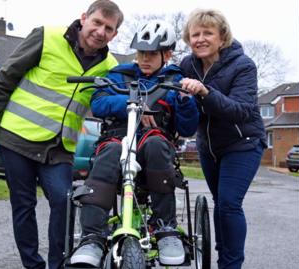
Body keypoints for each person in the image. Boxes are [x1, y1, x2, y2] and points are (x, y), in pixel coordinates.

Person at [0, 1, 123, 268]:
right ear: (84, 18)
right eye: (97, 23)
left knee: (64, 202)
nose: (101, 31)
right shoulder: (47, 36)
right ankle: (33, 265)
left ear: (114, 34)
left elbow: (114, 98)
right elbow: (8, 74)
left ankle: (59, 264)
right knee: (23, 204)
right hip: (16, 137)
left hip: (59, 147)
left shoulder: (110, 66)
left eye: (108, 28)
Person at [69, 20, 199, 267]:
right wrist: (137, 102)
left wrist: (184, 101)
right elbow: (98, 103)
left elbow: (188, 128)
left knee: (156, 145)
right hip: (117, 138)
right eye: (141, 53)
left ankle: (166, 229)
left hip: (154, 143)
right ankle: (92, 237)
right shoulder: (119, 74)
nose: (145, 59)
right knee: (110, 151)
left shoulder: (175, 81)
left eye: (151, 54)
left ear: (167, 54)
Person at [179, 9, 267, 269]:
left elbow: (241, 110)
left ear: (222, 37)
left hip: (243, 143)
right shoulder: (188, 65)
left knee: (229, 203)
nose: (200, 39)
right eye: (195, 34)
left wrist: (206, 91)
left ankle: (231, 264)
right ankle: (222, 254)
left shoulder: (243, 66)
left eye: (208, 33)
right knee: (220, 204)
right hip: (209, 147)